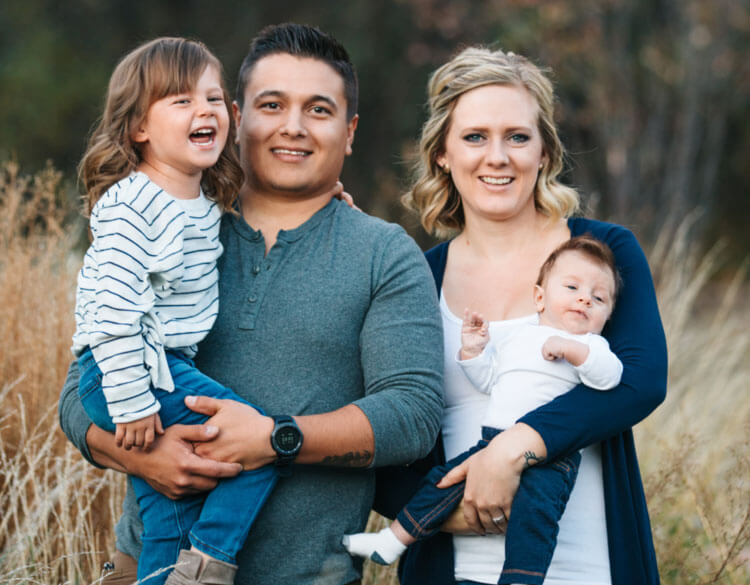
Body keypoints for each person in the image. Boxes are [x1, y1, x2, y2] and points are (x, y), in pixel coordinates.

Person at [59, 23, 444, 585]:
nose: (292, 127)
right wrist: (142, 456)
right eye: (272, 105)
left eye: (318, 109)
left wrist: (276, 439)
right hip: (143, 570)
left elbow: (411, 415)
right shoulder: (178, 228)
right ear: (238, 118)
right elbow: (78, 391)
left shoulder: (383, 254)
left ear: (350, 130)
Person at [373, 47, 667, 585]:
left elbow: (641, 381)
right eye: (475, 137)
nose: (498, 157)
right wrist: (441, 514)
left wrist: (512, 448)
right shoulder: (416, 277)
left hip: (589, 568)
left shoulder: (603, 252)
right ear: (442, 152)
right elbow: (388, 438)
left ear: (545, 151)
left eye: (517, 136)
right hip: (454, 567)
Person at [71, 37, 286, 585]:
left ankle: (168, 574)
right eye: (181, 101)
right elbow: (114, 314)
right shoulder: (131, 204)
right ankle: (210, 563)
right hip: (130, 370)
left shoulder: (200, 200)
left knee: (168, 515)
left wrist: (323, 194)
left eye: (213, 99)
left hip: (154, 368)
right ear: (138, 128)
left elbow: (257, 205)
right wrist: (133, 403)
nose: (204, 111)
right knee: (254, 443)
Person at [346, 236, 624, 584]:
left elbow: (610, 377)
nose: (585, 298)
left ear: (607, 315)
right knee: (441, 483)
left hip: (552, 455)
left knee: (535, 516)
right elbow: (491, 381)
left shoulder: (592, 345)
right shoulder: (520, 338)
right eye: (572, 287)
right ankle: (392, 540)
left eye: (599, 298)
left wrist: (573, 350)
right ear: (540, 297)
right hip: (490, 444)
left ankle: (521, 578)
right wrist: (474, 353)